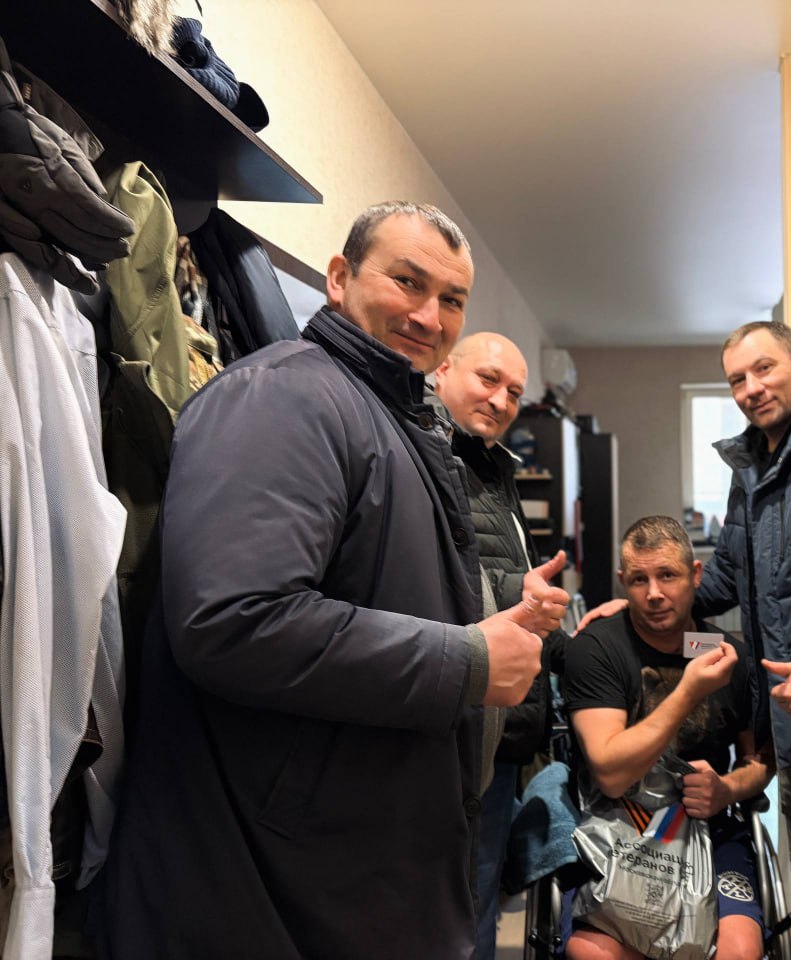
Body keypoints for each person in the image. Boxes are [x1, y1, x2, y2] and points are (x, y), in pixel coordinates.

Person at [104, 201, 567, 960]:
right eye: (407, 282)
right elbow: (234, 619)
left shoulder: (392, 419)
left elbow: (374, 586)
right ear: (340, 277)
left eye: (451, 299)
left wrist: (493, 617)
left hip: (353, 870)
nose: (429, 315)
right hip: (273, 889)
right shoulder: (282, 396)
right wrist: (467, 661)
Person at [578, 321, 791, 960]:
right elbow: (730, 577)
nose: (751, 388)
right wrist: (646, 606)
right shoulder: (754, 464)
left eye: (764, 369)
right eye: (737, 379)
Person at [563, 516, 775, 960]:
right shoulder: (597, 649)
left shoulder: (720, 652)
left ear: (695, 575)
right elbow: (611, 776)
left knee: (739, 952)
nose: (654, 593)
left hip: (707, 827)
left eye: (668, 575)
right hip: (614, 827)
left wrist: (725, 789)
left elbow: (759, 762)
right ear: (623, 582)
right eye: (639, 580)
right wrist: (687, 693)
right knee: (592, 953)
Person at [434, 331, 566, 960]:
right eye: (488, 380)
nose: (501, 400)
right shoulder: (429, 456)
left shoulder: (491, 466)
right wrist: (523, 592)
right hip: (458, 724)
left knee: (479, 897)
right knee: (457, 906)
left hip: (501, 724)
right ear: (442, 371)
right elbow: (443, 584)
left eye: (514, 391)